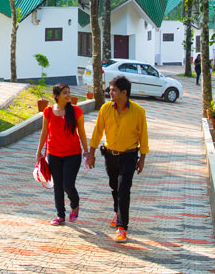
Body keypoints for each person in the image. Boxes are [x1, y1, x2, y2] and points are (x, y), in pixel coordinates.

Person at [86, 75, 149, 242]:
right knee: (114, 187)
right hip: (110, 155)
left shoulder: (138, 112)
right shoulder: (105, 109)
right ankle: (117, 212)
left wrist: (142, 159)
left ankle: (122, 227)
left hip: (129, 155)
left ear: (124, 92)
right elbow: (97, 132)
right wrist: (91, 154)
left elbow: (143, 137)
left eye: (113, 90)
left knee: (123, 189)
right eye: (110, 89)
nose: (110, 92)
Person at [36, 83, 89, 226]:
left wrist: (87, 151)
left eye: (69, 92)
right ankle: (60, 215)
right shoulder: (48, 111)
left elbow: (82, 133)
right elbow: (44, 133)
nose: (68, 95)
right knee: (58, 185)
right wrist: (39, 150)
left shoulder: (76, 111)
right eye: (65, 93)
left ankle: (75, 204)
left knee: (68, 184)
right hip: (53, 154)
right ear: (57, 96)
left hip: (73, 154)